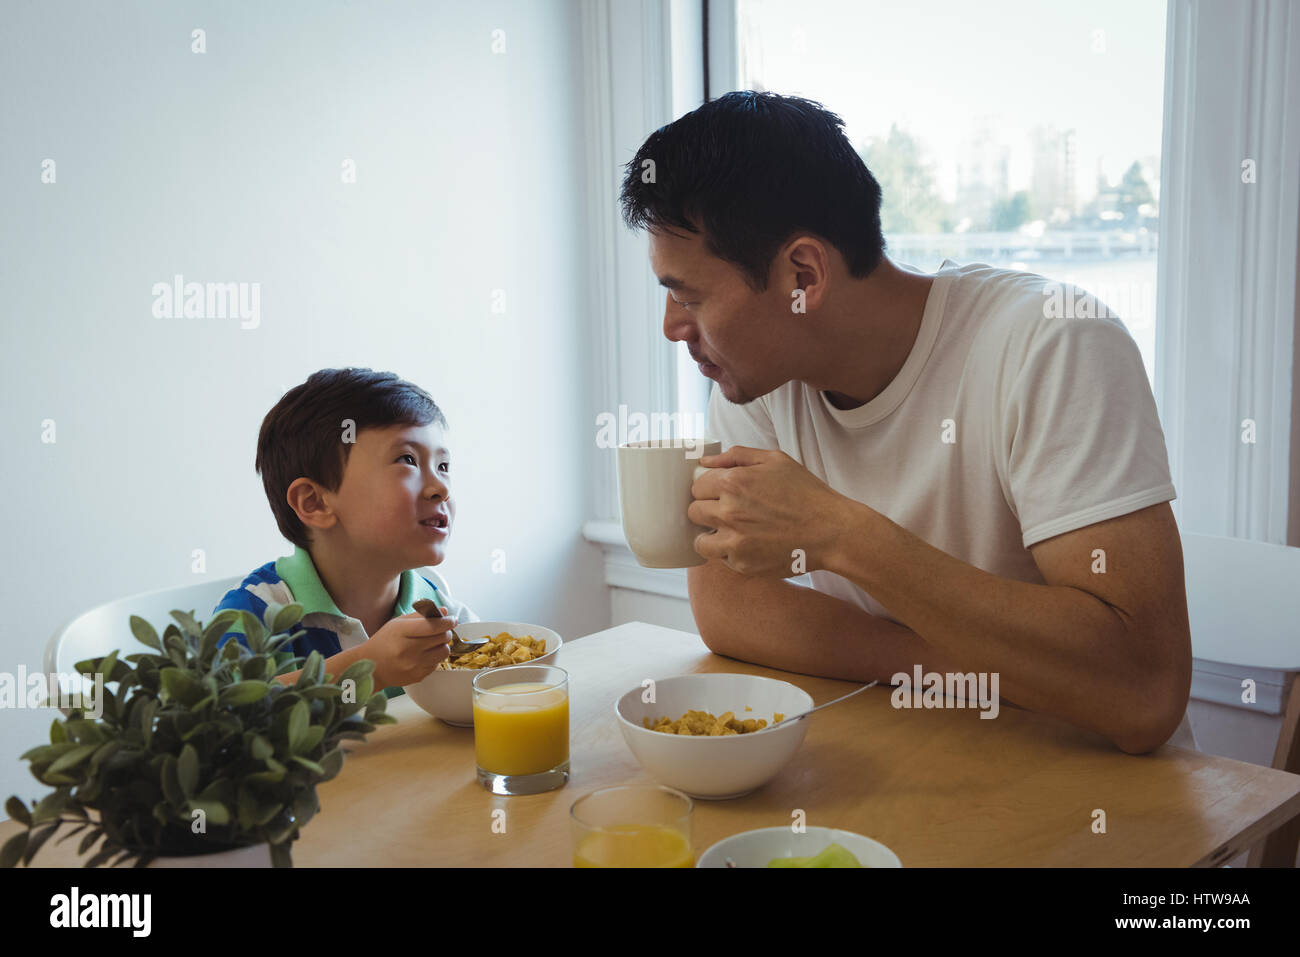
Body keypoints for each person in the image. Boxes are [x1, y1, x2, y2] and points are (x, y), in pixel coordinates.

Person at [619, 91, 1192, 754]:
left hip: (1104, 800)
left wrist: (842, 535)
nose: (671, 328)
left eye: (689, 296)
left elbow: (1144, 691)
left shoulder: (1053, 341)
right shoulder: (760, 381)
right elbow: (727, 607)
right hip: (926, 766)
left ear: (803, 274)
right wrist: (968, 668)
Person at [211, 367, 474, 698]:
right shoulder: (256, 613)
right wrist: (368, 667)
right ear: (314, 502)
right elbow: (220, 717)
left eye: (443, 466)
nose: (440, 488)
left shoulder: (434, 599)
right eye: (407, 459)